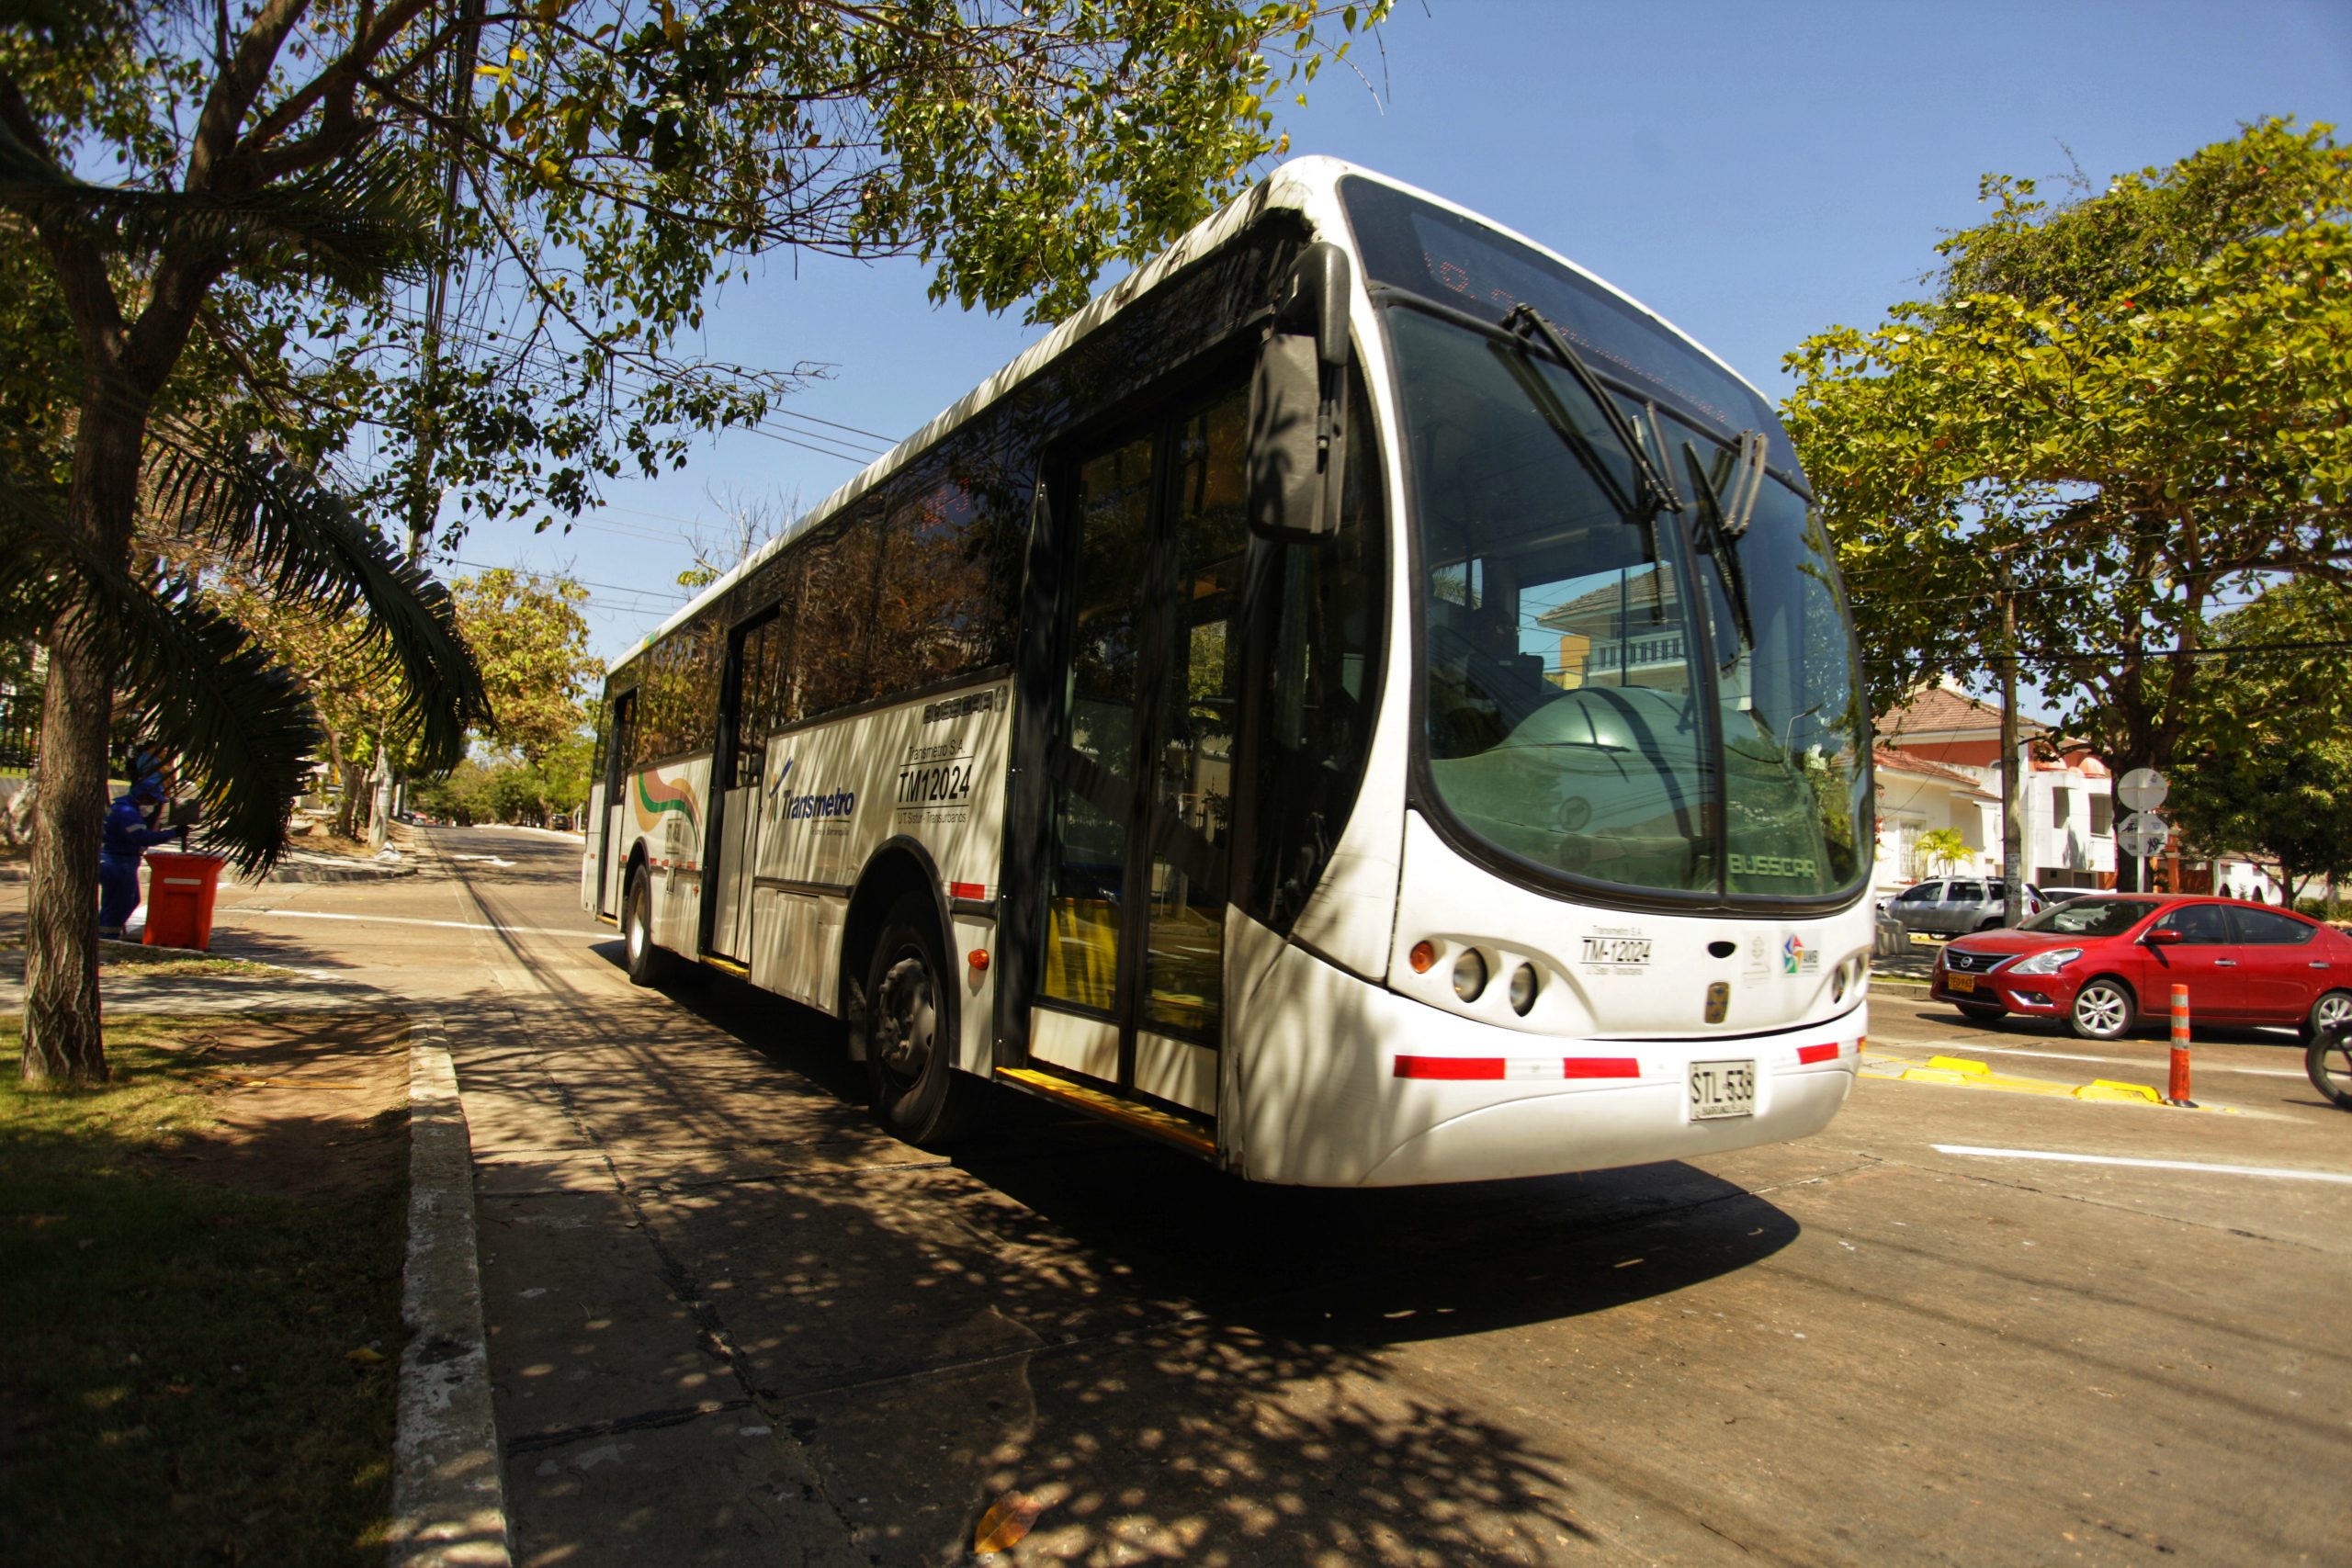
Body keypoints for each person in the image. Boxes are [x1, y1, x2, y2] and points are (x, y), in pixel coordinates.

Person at [98, 781, 182, 939]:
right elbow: (142, 838)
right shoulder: (127, 813)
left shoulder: (123, 808)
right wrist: (172, 833)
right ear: (142, 797)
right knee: (119, 904)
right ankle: (106, 938)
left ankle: (105, 934)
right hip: (118, 862)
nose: (153, 805)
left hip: (118, 860)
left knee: (127, 901)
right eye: (152, 801)